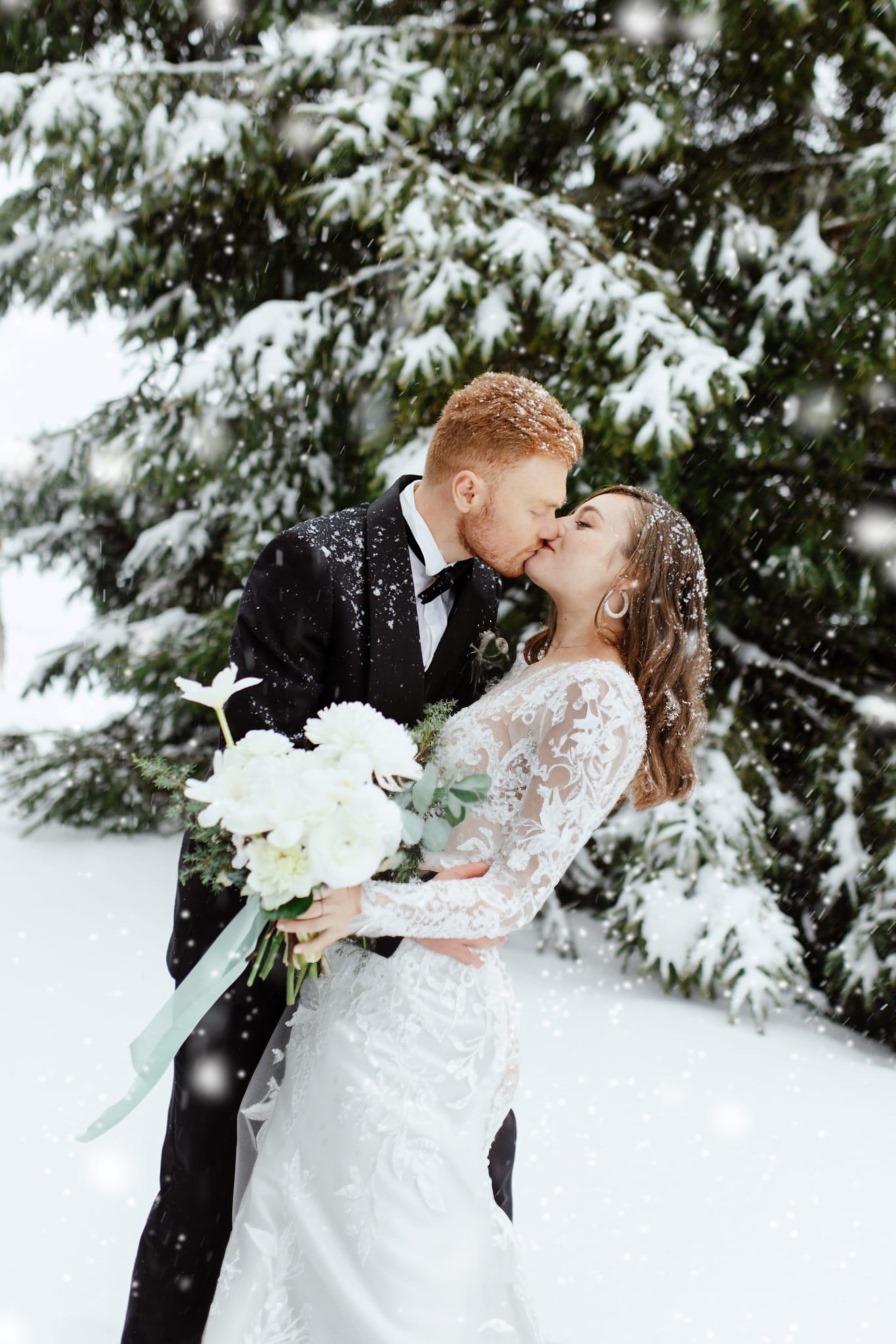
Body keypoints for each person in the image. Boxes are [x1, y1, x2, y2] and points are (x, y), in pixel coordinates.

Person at [121, 372, 583, 1344]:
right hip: (255, 930)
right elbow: (265, 753)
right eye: (539, 505)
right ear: (469, 490)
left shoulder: (490, 596)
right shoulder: (312, 559)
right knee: (208, 1184)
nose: (549, 529)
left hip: (388, 964)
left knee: (451, 1166)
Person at [201, 485, 711, 1343]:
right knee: (302, 1230)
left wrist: (370, 900)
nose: (556, 524)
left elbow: (513, 892)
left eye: (585, 524)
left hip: (426, 1013)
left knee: (390, 1258)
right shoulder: (533, 659)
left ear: (628, 583)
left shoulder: (599, 700)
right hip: (369, 987)